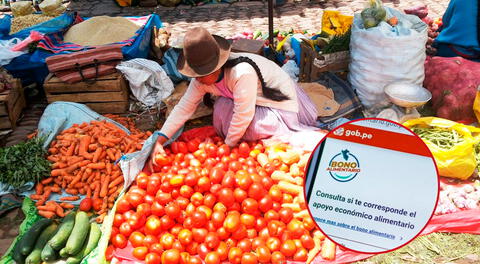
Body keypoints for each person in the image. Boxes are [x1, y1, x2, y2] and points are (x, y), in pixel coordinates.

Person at [147, 27, 318, 167]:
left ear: (216, 67)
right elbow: (184, 107)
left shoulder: (241, 72)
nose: (197, 79)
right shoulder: (201, 79)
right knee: (221, 112)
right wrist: (160, 140)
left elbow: (243, 114)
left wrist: (227, 147)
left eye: (201, 74)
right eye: (195, 74)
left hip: (281, 104)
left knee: (248, 127)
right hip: (253, 100)